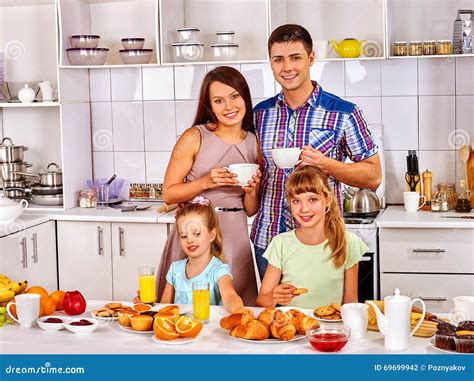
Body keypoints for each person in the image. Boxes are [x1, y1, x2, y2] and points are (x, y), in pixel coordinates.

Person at [251, 24, 382, 278]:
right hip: (268, 240)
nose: (287, 67)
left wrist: (326, 164)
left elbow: (373, 176)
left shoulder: (343, 112)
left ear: (311, 58)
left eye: (295, 58)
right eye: (278, 59)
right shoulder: (259, 115)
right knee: (274, 316)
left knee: (327, 315)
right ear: (270, 63)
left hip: (322, 243)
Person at [157, 66, 261, 306]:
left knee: (233, 308)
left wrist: (251, 191)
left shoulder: (254, 143)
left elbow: (250, 209)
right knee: (184, 307)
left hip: (235, 234)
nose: (229, 106)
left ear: (244, 97)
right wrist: (205, 182)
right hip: (195, 231)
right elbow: (169, 193)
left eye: (235, 96)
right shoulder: (194, 137)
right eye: (218, 100)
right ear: (210, 106)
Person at [256, 166, 367, 309]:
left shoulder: (348, 242)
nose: (304, 209)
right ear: (289, 203)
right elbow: (260, 302)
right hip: (292, 327)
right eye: (296, 201)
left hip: (330, 328)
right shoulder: (280, 243)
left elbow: (350, 302)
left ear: (327, 200)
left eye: (312, 199)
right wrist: (274, 297)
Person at [160, 197, 244, 313]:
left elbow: (230, 296)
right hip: (181, 329)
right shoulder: (175, 269)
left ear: (211, 235)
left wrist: (238, 310)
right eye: (184, 236)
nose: (189, 240)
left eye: (197, 234)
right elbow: (164, 307)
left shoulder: (218, 270)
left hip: (208, 330)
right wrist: (147, 305)